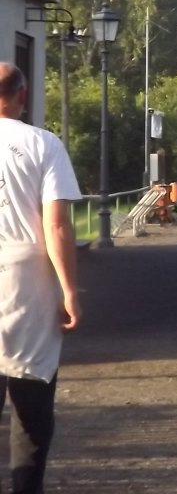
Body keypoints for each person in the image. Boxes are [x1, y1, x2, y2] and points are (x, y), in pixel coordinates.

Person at [0, 63, 82, 492]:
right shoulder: (43, 144)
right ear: (22, 94)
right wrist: (69, 289)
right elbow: (57, 226)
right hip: (23, 278)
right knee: (30, 404)